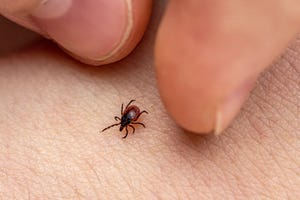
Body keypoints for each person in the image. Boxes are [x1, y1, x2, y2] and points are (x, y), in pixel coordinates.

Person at [0, 0, 299, 199]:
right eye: (123, 123)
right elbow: (132, 110)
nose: (124, 123)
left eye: (125, 123)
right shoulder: (131, 117)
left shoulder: (129, 118)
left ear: (127, 121)